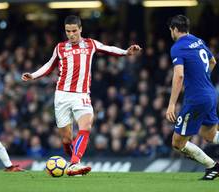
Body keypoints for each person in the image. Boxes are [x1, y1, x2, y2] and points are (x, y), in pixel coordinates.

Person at [22, 15, 142, 176]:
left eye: (74, 31)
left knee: (86, 125)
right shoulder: (60, 47)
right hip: (62, 95)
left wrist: (126, 52)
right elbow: (49, 65)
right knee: (66, 139)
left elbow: (109, 48)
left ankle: (74, 163)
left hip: (81, 95)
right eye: (67, 31)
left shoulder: (90, 44)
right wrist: (33, 75)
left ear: (80, 29)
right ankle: (72, 160)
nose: (70, 34)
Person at [166, 15, 219, 180]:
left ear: (174, 29)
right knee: (210, 135)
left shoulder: (178, 47)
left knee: (177, 142)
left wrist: (171, 104)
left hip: (196, 98)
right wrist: (202, 78)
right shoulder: (198, 41)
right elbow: (213, 62)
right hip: (210, 94)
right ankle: (213, 167)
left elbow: (179, 76)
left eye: (170, 31)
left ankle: (213, 166)